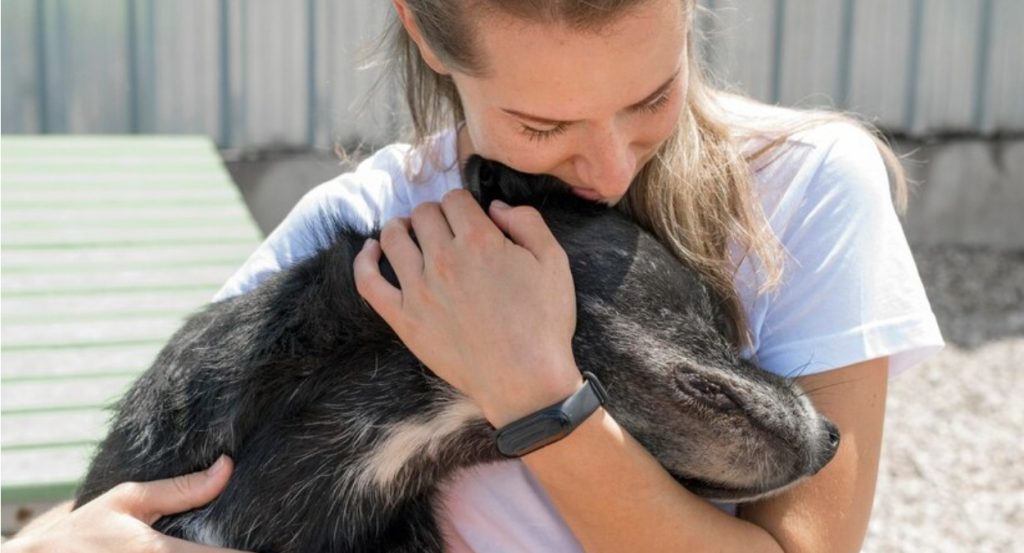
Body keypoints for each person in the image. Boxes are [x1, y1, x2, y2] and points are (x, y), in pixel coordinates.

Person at [4, 0, 944, 551]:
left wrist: (535, 394)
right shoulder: (374, 226)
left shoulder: (809, 186)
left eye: (651, 96)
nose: (612, 167)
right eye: (543, 127)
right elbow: (155, 478)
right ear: (426, 31)